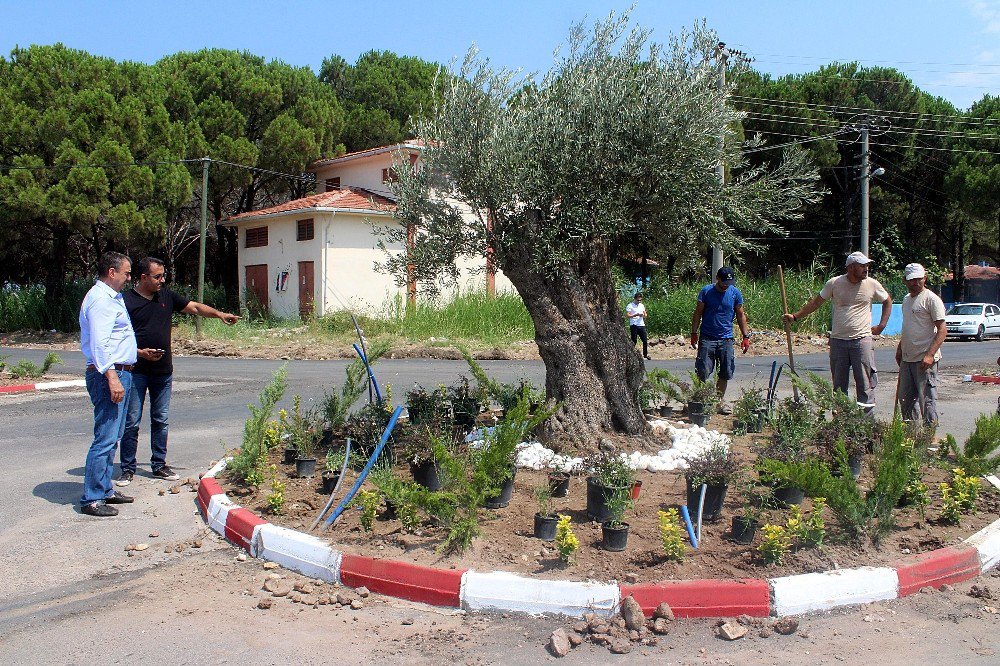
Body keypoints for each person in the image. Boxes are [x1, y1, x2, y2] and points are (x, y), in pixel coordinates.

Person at [117, 257, 240, 485]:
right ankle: (127, 468)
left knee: (161, 419)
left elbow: (194, 307)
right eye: (157, 276)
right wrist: (140, 352)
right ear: (143, 277)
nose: (162, 280)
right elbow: (116, 338)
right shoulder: (125, 302)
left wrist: (220, 314)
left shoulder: (166, 296)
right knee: (132, 421)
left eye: (163, 276)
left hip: (163, 372)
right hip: (135, 371)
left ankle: (159, 465)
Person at [784, 251, 892, 410]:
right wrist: (795, 316)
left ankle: (867, 423)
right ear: (851, 267)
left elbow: (887, 301)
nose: (866, 269)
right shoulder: (834, 283)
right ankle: (841, 422)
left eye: (867, 265)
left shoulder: (872, 284)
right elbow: (816, 303)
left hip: (862, 340)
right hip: (838, 341)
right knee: (839, 386)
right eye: (862, 266)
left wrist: (882, 325)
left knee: (865, 382)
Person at [79, 252, 138, 517]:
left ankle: (105, 489)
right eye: (126, 273)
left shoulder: (111, 298)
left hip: (118, 372)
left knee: (113, 436)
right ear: (111, 272)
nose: (129, 278)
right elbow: (100, 344)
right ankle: (91, 498)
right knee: (104, 437)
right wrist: (112, 377)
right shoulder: (101, 300)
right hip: (107, 374)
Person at [690, 267, 752, 413]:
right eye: (724, 282)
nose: (726, 285)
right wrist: (693, 333)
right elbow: (698, 312)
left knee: (725, 371)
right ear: (717, 278)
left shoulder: (735, 293)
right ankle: (700, 401)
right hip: (707, 338)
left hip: (726, 339)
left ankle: (718, 403)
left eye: (729, 282)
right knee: (703, 371)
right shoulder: (706, 292)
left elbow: (741, 315)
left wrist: (745, 336)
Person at [895, 263, 946, 427]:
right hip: (908, 359)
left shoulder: (931, 299)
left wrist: (930, 355)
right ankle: (911, 438)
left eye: (919, 279)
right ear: (905, 281)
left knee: (927, 402)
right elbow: (909, 327)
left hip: (925, 360)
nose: (915, 283)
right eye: (911, 280)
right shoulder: (906, 300)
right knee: (906, 400)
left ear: (924, 278)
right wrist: (900, 348)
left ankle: (929, 438)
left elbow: (942, 330)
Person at [626, 292, 650, 360]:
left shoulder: (642, 305)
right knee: (634, 340)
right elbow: (628, 315)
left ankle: (645, 354)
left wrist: (644, 315)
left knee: (645, 340)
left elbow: (645, 314)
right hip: (634, 325)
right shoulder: (630, 305)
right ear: (635, 299)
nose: (639, 301)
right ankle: (631, 354)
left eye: (640, 300)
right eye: (638, 300)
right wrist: (635, 315)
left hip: (641, 324)